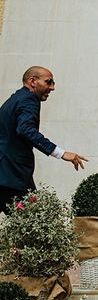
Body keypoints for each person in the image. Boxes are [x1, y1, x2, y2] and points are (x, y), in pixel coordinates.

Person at [0, 66, 88, 214]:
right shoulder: (29, 99)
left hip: (8, 174)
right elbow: (25, 130)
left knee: (35, 223)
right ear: (32, 81)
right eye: (48, 82)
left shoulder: (17, 98)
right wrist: (61, 153)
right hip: (11, 176)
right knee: (36, 223)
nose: (52, 87)